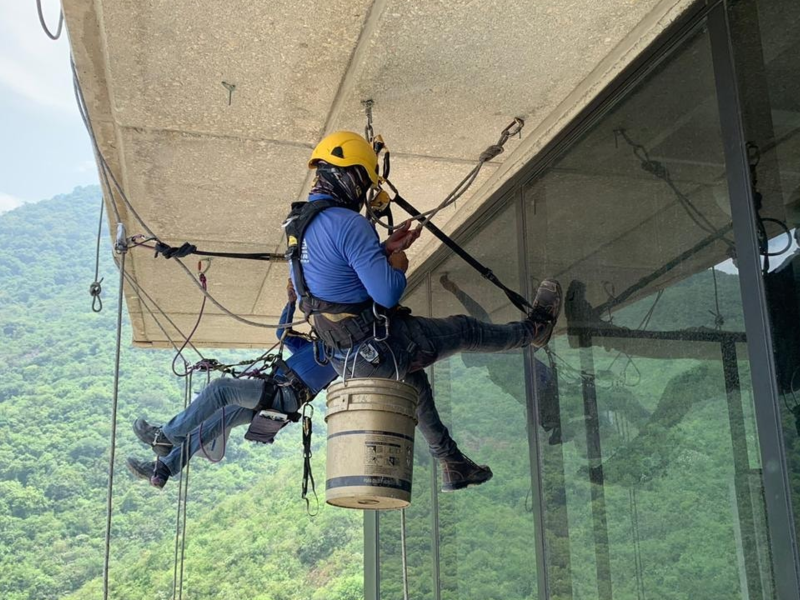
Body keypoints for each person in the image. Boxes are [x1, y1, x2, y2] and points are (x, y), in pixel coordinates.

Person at [285, 131, 563, 491]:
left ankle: (453, 464)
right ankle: (535, 330)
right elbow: (386, 294)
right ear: (351, 176)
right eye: (365, 184)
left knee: (414, 383)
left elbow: (334, 279)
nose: (364, 195)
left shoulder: (299, 225)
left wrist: (382, 250)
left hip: (345, 356)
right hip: (379, 345)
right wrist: (397, 263)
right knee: (465, 330)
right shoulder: (348, 222)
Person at [126, 281, 337, 489]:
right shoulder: (314, 346)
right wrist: (290, 303)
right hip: (278, 394)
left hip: (284, 393)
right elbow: (282, 334)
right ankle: (163, 469)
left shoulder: (339, 351)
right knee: (215, 422)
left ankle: (164, 436)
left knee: (221, 389)